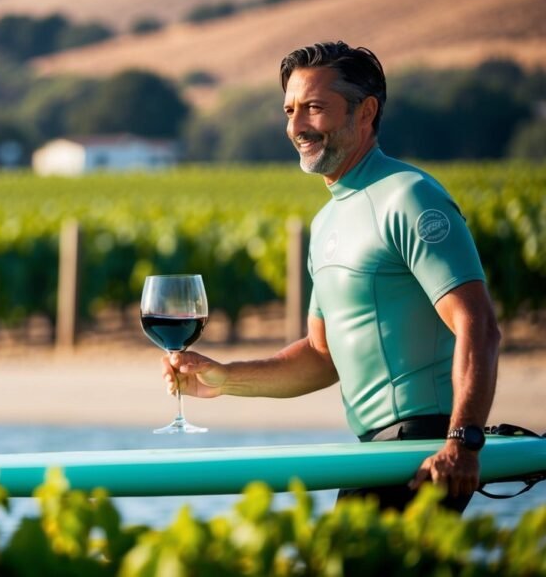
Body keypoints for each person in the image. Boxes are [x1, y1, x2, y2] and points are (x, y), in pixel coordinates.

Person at [163, 41, 500, 512]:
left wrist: (463, 442)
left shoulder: (410, 196)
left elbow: (477, 324)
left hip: (421, 450)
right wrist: (223, 379)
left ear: (366, 113)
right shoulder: (326, 222)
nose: (297, 126)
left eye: (314, 108)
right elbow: (323, 356)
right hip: (375, 452)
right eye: (290, 110)